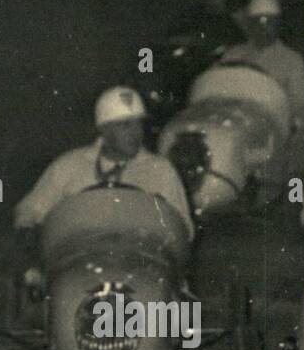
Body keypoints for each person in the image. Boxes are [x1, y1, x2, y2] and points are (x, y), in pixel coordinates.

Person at [13, 86, 194, 237]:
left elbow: (184, 228)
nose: (136, 132)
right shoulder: (69, 166)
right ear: (104, 130)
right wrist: (31, 229)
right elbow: (29, 211)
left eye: (139, 123)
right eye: (125, 125)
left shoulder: (161, 170)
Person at [221, 0, 304, 177]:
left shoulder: (291, 59)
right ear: (249, 24)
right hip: (237, 128)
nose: (263, 27)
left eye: (269, 22)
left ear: (278, 24)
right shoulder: (233, 55)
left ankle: (293, 196)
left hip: (275, 132)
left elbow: (300, 106)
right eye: (258, 22)